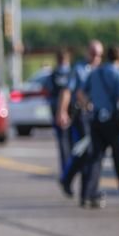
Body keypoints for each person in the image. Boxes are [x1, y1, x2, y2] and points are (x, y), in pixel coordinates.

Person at [79, 45, 119, 209]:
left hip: (96, 120)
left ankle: (88, 194)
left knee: (95, 159)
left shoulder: (95, 73)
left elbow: (80, 94)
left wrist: (88, 106)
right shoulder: (118, 74)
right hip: (113, 122)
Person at [57, 40, 104, 208]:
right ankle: (71, 181)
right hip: (82, 116)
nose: (96, 57)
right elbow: (68, 91)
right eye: (93, 53)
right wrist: (62, 111)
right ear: (87, 52)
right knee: (87, 151)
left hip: (97, 117)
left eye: (99, 54)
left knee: (92, 155)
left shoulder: (100, 70)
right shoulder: (78, 69)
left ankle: (87, 192)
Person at [44, 48, 72, 178]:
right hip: (71, 110)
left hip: (57, 110)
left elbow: (48, 91)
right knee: (71, 140)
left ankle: (66, 168)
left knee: (63, 141)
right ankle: (71, 167)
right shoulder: (71, 73)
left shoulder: (53, 75)